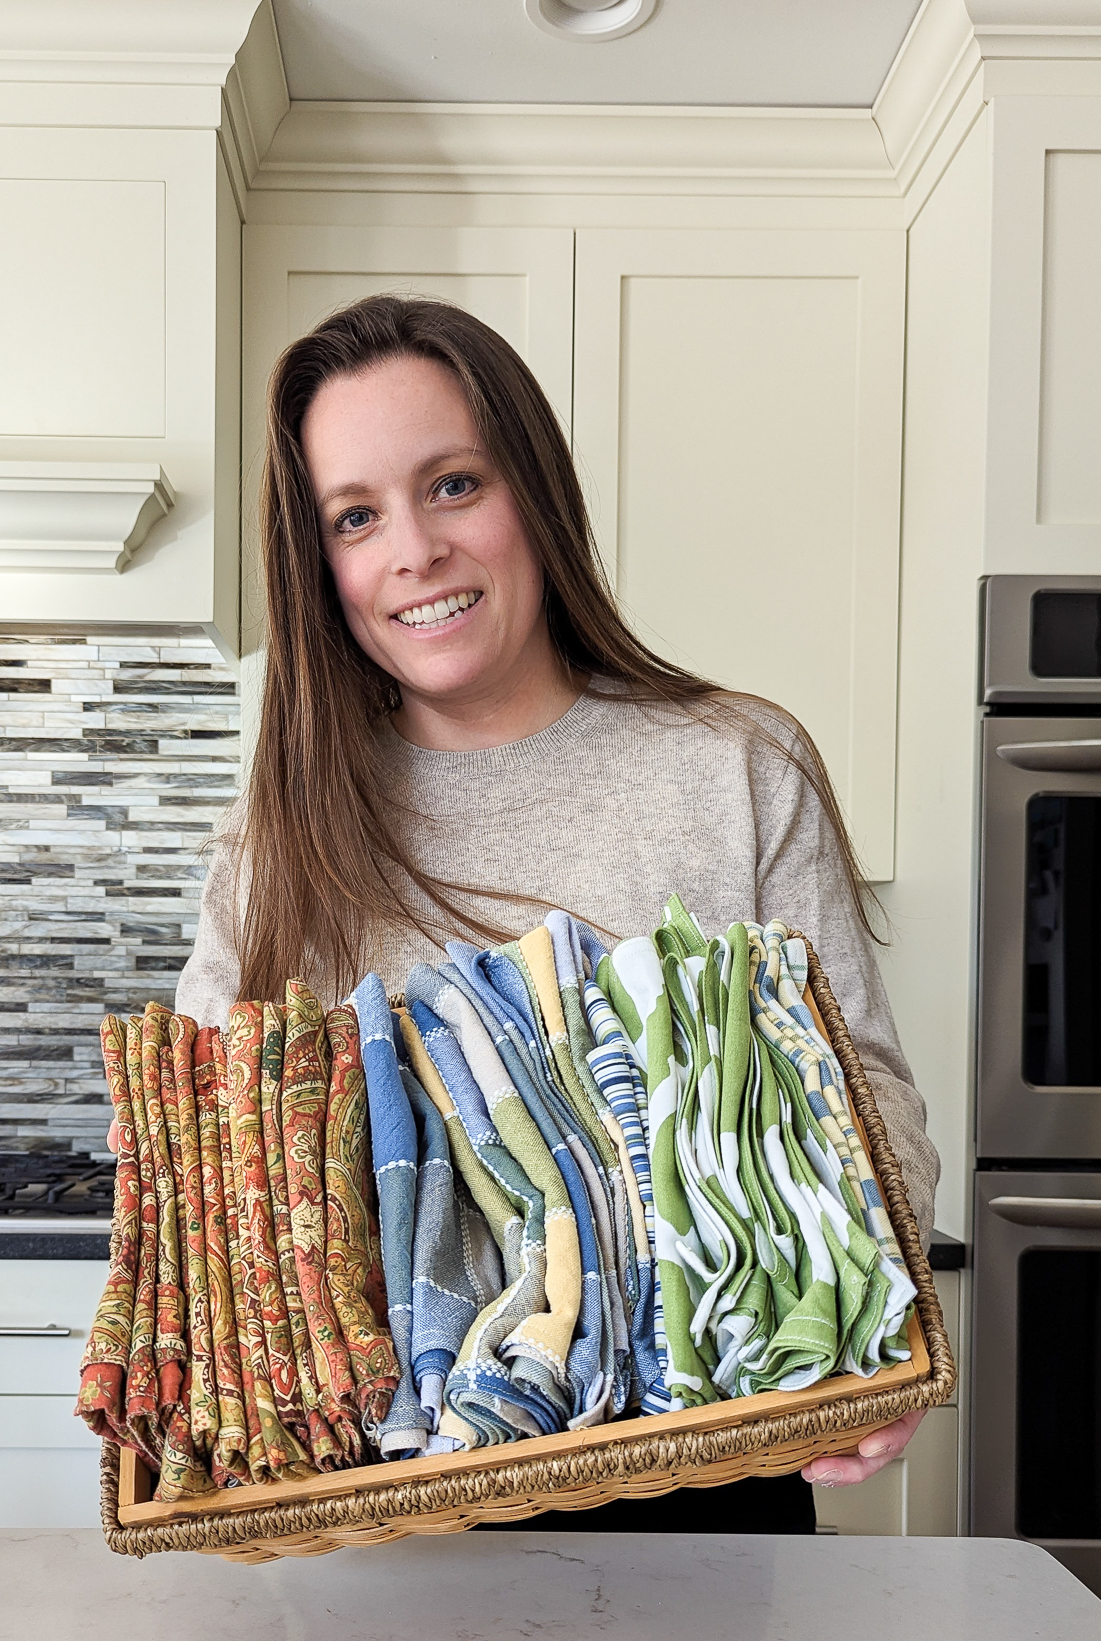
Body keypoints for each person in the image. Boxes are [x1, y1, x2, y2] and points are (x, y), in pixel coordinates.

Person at [143, 293, 939, 1529]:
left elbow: (861, 1093)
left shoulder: (732, 766)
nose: (411, 550)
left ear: (535, 494)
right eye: (355, 517)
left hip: (696, 1484)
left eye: (452, 484)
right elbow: (209, 1175)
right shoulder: (278, 844)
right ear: (320, 564)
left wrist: (866, 1297)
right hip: (378, 1514)